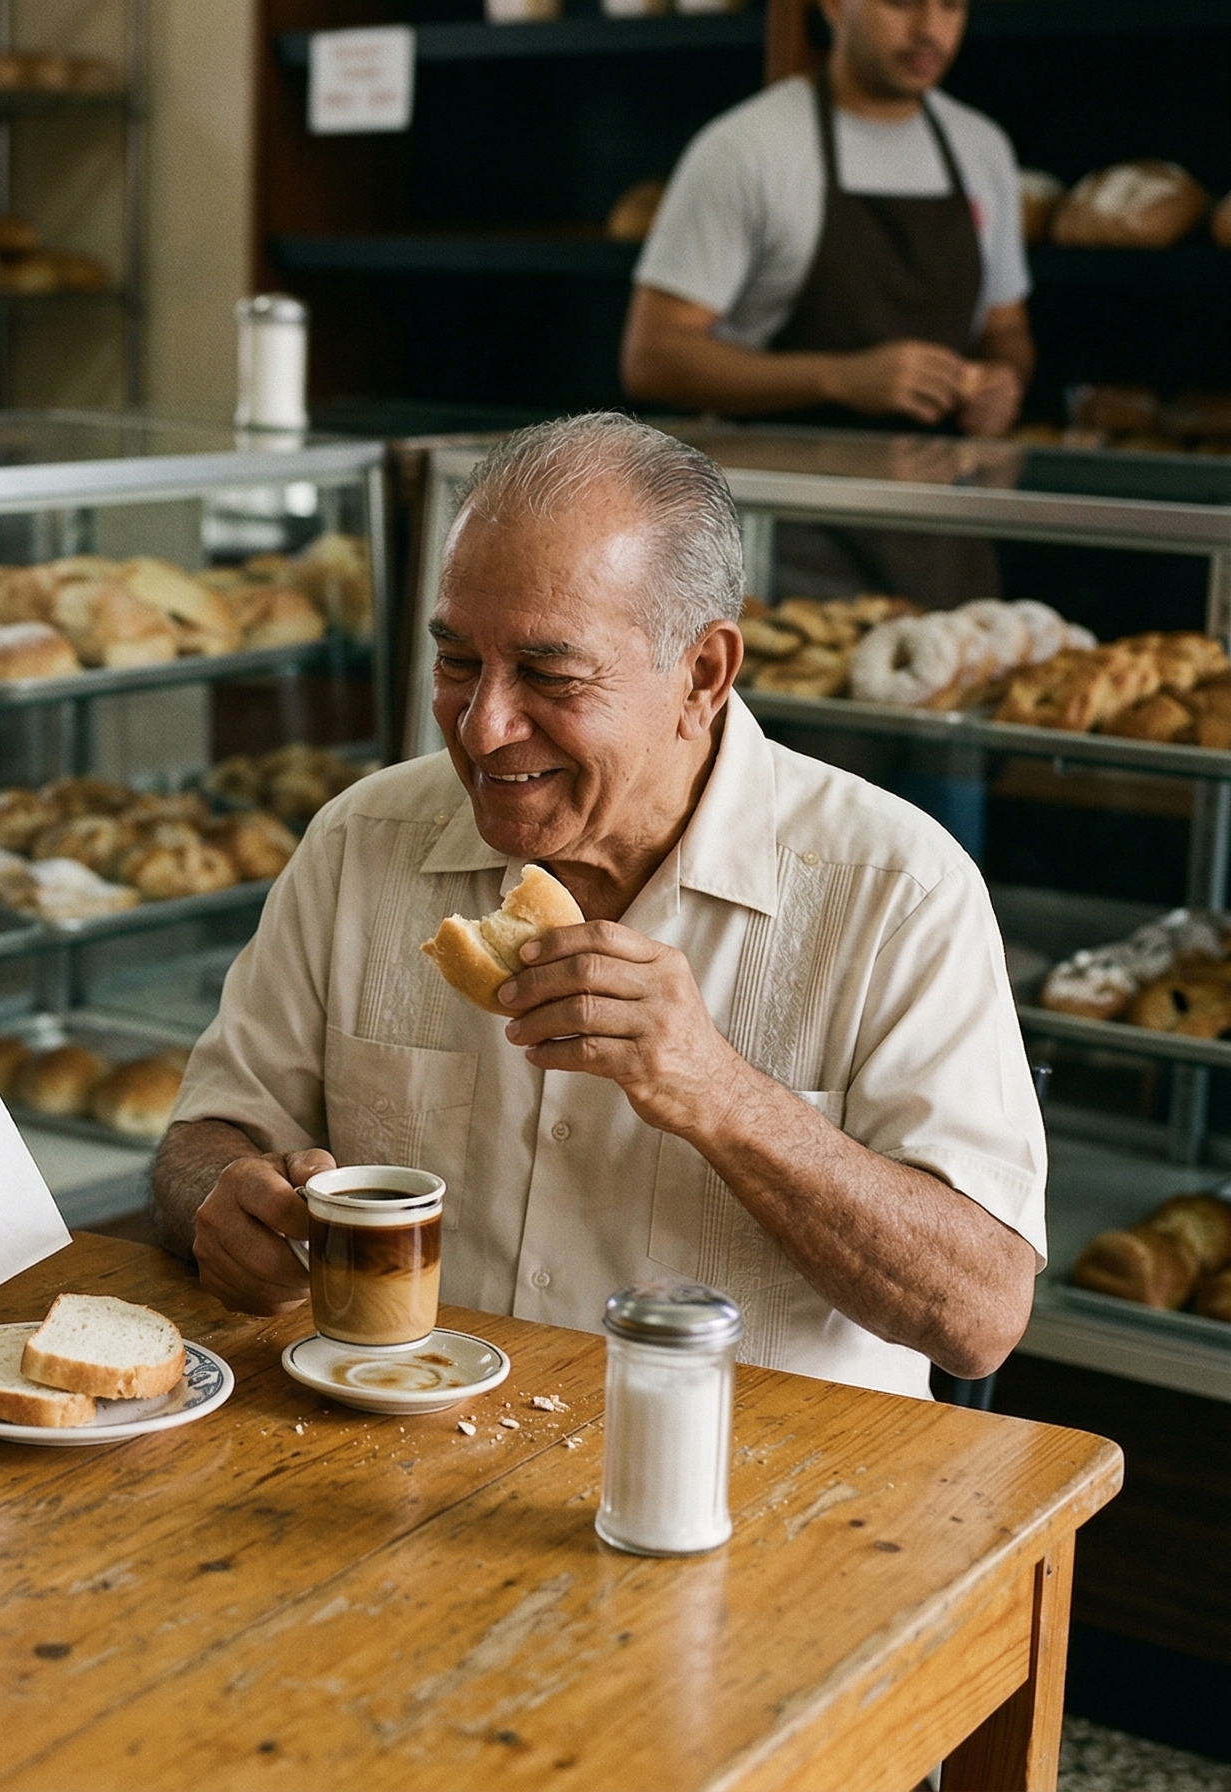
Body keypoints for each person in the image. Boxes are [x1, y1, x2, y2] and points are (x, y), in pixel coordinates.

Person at [153, 413, 1044, 1399]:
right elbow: (207, 1135)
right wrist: (225, 1205)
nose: (484, 726)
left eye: (549, 674)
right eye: (456, 661)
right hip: (393, 1482)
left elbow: (980, 1316)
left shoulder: (896, 890)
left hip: (770, 1513)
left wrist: (719, 1091)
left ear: (702, 675)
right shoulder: (362, 840)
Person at [621, 0, 1032, 440]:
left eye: (951, 5)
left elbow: (1004, 328)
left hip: (940, 491)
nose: (931, 29)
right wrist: (840, 378)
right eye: (901, 3)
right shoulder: (747, 149)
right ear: (834, 7)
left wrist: (1003, 381)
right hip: (783, 491)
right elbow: (652, 360)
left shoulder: (983, 149)